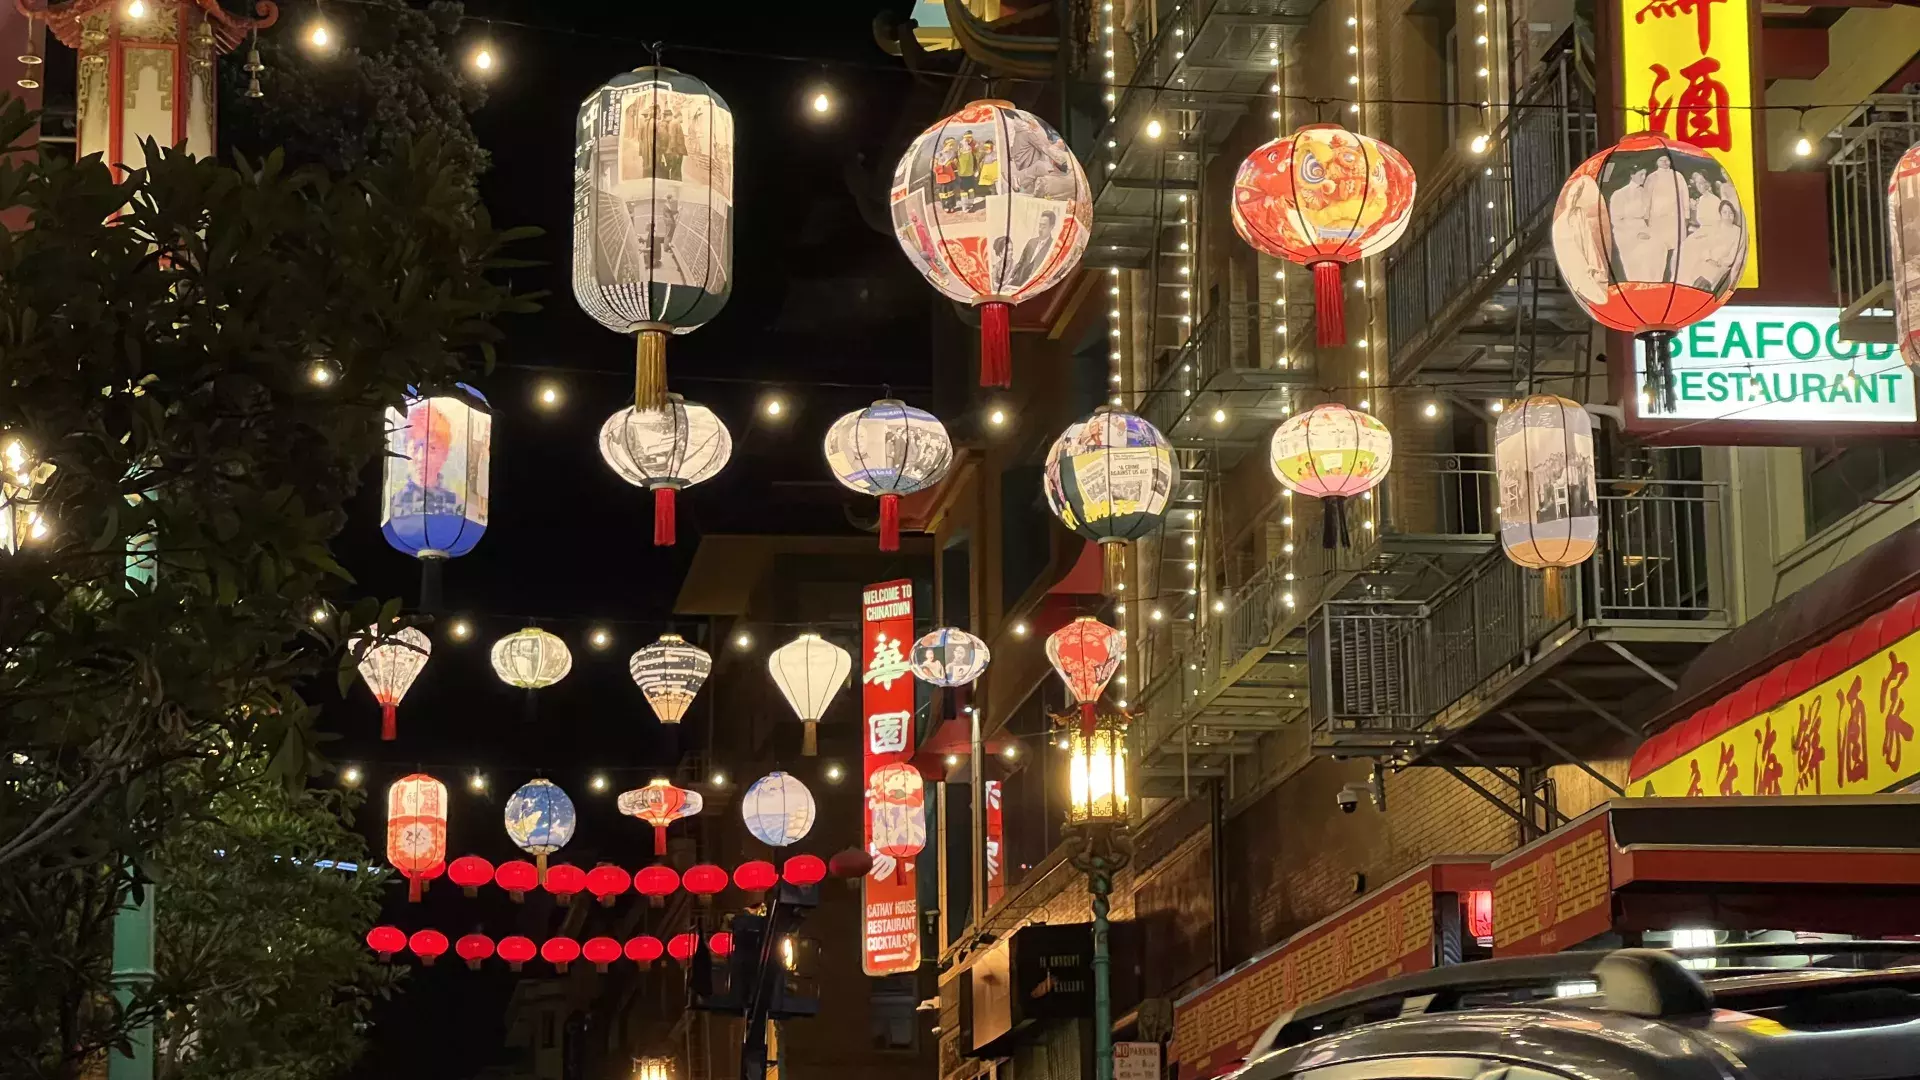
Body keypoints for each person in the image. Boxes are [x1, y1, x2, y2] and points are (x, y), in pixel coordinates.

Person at [1677, 201, 1744, 292]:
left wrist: (1720, 262)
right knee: (1690, 273)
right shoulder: (1715, 227)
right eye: (1725, 212)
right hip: (1708, 260)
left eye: (1731, 213)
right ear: (1720, 214)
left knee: (1704, 279)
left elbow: (1733, 254)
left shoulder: (1738, 232)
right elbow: (1706, 245)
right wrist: (1708, 258)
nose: (1728, 216)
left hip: (1720, 265)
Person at [1608, 167, 1658, 279]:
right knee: (1638, 260)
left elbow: (1649, 214)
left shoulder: (1644, 192)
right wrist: (1635, 234)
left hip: (1643, 228)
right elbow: (1616, 221)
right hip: (1625, 232)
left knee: (1658, 249)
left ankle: (1653, 285)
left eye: (1645, 174)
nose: (1644, 178)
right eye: (1641, 175)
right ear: (1632, 175)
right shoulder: (1620, 194)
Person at [1007, 210, 1057, 284]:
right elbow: (1021, 262)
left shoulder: (1053, 247)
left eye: (1044, 226)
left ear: (1051, 227)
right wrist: (1011, 278)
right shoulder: (1031, 242)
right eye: (1040, 225)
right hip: (1018, 282)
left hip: (1035, 284)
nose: (1040, 229)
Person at [932, 138, 959, 213]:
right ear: (945, 145)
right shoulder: (938, 154)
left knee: (951, 192)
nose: (951, 147)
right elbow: (934, 166)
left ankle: (952, 205)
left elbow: (954, 166)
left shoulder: (952, 153)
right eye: (950, 145)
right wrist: (942, 166)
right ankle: (946, 206)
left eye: (952, 145)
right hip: (942, 177)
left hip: (950, 175)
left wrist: (954, 163)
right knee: (943, 193)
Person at [955, 132, 980, 211]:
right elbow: (955, 160)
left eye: (970, 137)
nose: (969, 139)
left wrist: (976, 169)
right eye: (967, 138)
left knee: (971, 189)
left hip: (970, 173)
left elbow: (975, 160)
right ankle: (965, 206)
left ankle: (970, 204)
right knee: (964, 190)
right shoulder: (960, 148)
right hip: (962, 174)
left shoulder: (972, 149)